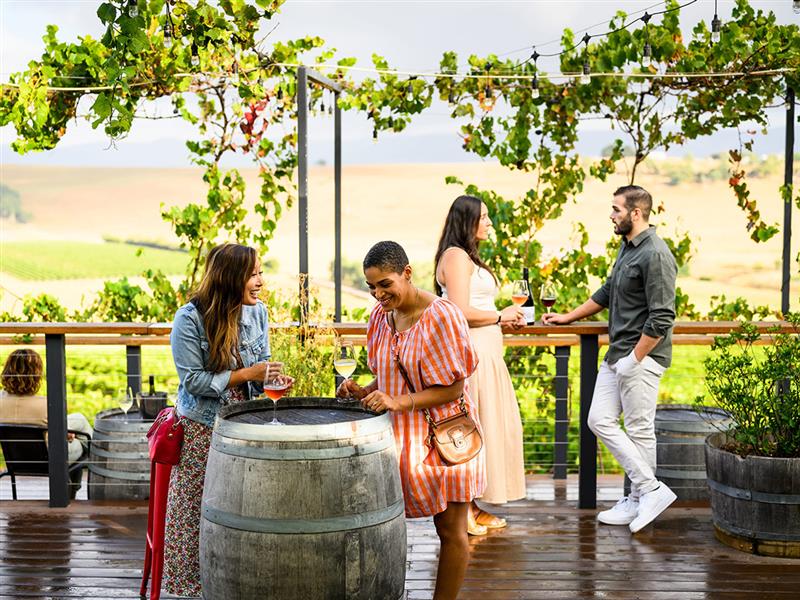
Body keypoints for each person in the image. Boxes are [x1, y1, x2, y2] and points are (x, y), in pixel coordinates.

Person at [336, 241, 484, 600]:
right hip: (395, 440)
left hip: (443, 438)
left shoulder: (442, 316)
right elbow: (390, 378)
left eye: (385, 284)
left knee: (450, 531)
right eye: (371, 287)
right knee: (379, 525)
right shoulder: (379, 318)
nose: (378, 294)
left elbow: (453, 389)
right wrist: (364, 391)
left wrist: (397, 401)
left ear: (406, 273)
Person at [542, 185, 678, 533]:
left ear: (636, 213)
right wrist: (568, 317)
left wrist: (635, 358)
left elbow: (662, 318)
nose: (611, 215)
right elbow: (607, 291)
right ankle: (647, 492)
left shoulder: (656, 255)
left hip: (641, 357)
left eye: (617, 209)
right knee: (599, 419)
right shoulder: (627, 247)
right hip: (617, 353)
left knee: (639, 430)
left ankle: (639, 499)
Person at [164, 243, 290, 597]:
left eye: (261, 272)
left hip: (243, 422)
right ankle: (188, 588)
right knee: (193, 508)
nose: (261, 281)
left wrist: (270, 380)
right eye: (254, 274)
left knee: (241, 506)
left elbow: (262, 364)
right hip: (202, 425)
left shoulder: (258, 312)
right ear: (231, 278)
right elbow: (194, 382)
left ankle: (234, 583)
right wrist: (247, 372)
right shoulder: (189, 318)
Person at [433, 195, 526, 535]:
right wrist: (501, 315)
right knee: (472, 430)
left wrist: (501, 319)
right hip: (473, 355)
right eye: (484, 217)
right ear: (468, 221)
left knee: (487, 426)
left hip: (488, 352)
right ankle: (463, 508)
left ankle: (473, 503)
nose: (490, 223)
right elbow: (457, 311)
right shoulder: (455, 256)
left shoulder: (466, 257)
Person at [0, 349, 93, 497]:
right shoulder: (46, 404)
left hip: (16, 461)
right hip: (51, 460)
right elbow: (58, 435)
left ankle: (72, 490)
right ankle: (74, 490)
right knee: (82, 436)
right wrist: (66, 435)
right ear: (36, 375)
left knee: (78, 421)